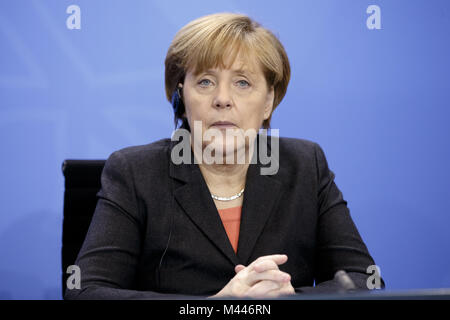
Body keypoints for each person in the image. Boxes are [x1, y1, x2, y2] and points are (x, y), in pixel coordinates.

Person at [64, 12, 384, 299]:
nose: (222, 99)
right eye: (205, 81)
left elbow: (365, 280)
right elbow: (86, 290)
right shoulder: (135, 172)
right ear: (181, 98)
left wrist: (288, 299)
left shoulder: (305, 165)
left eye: (242, 83)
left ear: (269, 101)